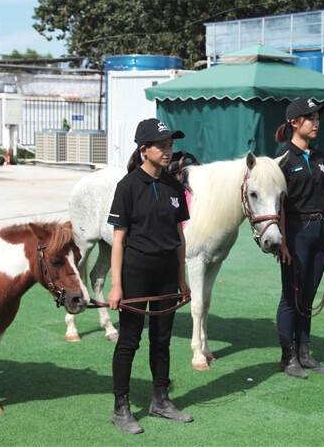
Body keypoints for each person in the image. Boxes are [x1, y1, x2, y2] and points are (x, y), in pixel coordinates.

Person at [106, 118, 193, 434]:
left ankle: (161, 400)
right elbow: (118, 240)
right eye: (162, 145)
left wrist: (182, 279)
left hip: (168, 271)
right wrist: (116, 286)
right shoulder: (127, 187)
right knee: (129, 340)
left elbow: (180, 236)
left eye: (171, 145)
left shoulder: (174, 186)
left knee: (162, 338)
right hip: (137, 271)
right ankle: (121, 408)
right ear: (144, 149)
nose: (168, 151)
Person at [273, 97, 324, 379]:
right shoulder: (283, 159)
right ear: (295, 123)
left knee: (308, 295)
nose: (316, 123)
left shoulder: (319, 156)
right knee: (291, 296)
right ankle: (288, 358)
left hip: (319, 231)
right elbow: (280, 204)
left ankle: (304, 353)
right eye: (311, 118)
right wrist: (283, 242)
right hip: (295, 232)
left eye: (318, 118)